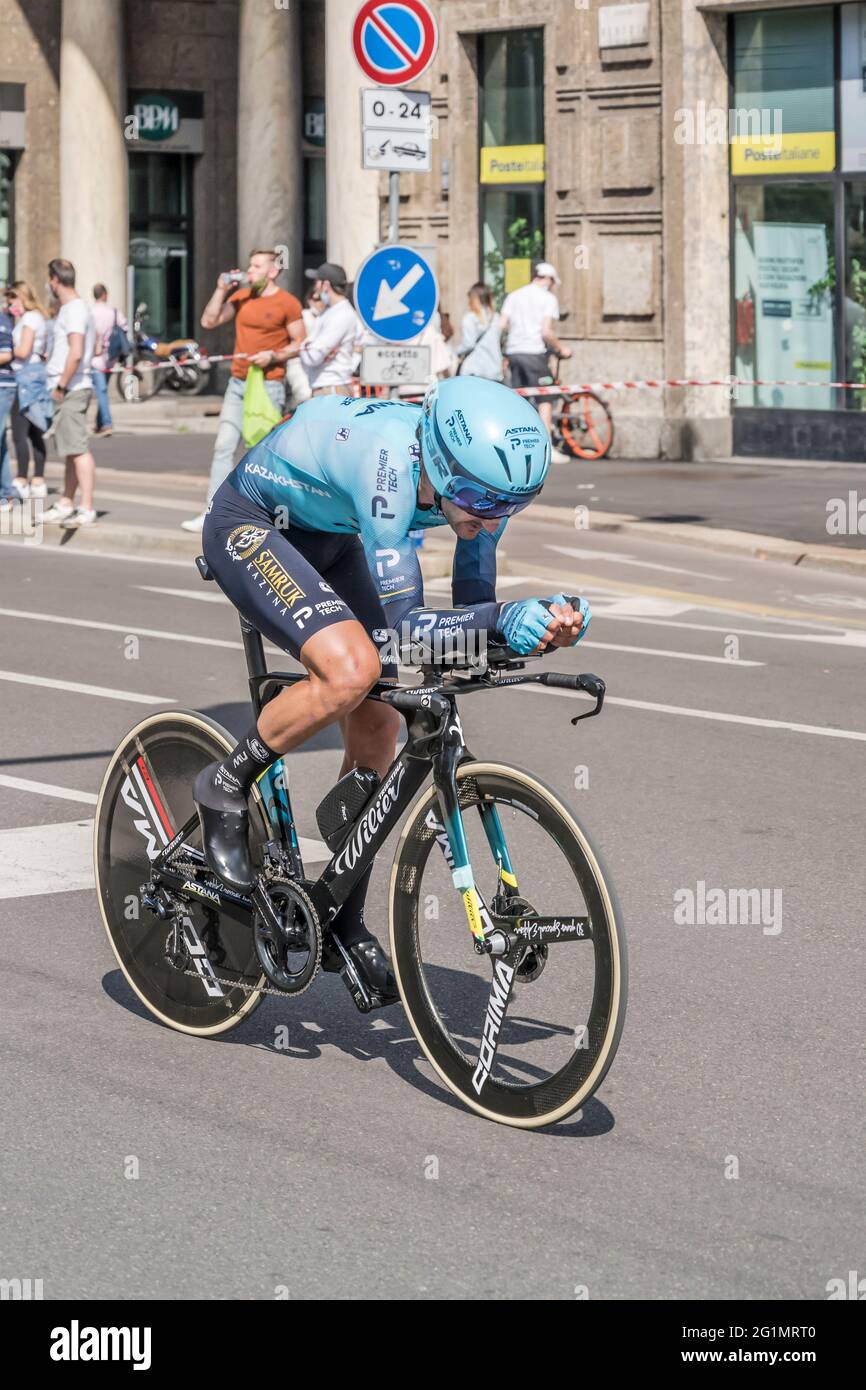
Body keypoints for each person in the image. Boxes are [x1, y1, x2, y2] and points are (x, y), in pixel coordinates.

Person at [193, 376, 592, 1007]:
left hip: (330, 537)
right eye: (477, 501)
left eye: (509, 506)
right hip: (252, 527)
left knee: (380, 721)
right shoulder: (390, 467)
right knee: (352, 671)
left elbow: (468, 620)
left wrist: (531, 632)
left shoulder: (476, 487)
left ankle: (340, 914)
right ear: (438, 463)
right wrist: (501, 622)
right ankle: (225, 781)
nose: (489, 519)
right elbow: (409, 633)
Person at [181, 249, 304, 532]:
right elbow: (208, 321)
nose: (250, 271)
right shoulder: (242, 297)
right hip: (238, 383)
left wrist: (273, 357)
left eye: (257, 266)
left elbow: (300, 342)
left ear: (272, 271)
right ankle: (211, 512)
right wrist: (220, 290)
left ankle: (264, 514)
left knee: (259, 452)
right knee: (223, 445)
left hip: (268, 384)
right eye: (250, 265)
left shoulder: (287, 303)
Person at [40, 258, 98, 527]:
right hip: (73, 384)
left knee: (78, 449)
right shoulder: (77, 308)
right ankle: (66, 501)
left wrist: (62, 385)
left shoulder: (74, 310)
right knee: (70, 450)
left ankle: (86, 506)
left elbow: (76, 351)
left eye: (49, 280)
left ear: (55, 280)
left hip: (71, 387)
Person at [500, 261, 572, 461]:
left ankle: (515, 447)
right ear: (547, 279)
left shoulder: (514, 295)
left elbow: (502, 325)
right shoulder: (548, 298)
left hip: (514, 352)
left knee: (519, 400)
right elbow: (546, 331)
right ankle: (547, 449)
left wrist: (506, 348)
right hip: (534, 353)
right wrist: (561, 349)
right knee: (545, 399)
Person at [6, 281, 51, 501]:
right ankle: (38, 479)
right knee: (35, 431)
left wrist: (6, 352)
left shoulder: (30, 319)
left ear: (21, 297)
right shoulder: (37, 318)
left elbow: (23, 350)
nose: (9, 304)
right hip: (34, 376)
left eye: (11, 298)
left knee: (19, 431)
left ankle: (23, 478)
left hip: (24, 378)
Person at [299, 262, 360, 395]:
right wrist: (308, 346)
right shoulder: (329, 312)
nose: (315, 288)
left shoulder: (342, 314)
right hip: (325, 387)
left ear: (325, 285)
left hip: (333, 388)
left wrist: (304, 346)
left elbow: (313, 357)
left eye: (317, 282)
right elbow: (312, 352)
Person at [90, 283, 128, 437]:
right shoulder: (113, 311)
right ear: (105, 295)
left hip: (95, 358)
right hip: (111, 357)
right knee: (102, 389)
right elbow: (124, 328)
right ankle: (101, 422)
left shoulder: (90, 312)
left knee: (101, 390)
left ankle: (106, 423)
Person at [456, 282, 503, 381]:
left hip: (474, 369)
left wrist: (455, 352)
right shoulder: (496, 317)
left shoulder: (470, 317)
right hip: (493, 370)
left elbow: (468, 344)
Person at [0, 296, 16, 514]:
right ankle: (6, 493)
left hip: (3, 386)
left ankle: (6, 493)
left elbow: (6, 353)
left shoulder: (2, 321)